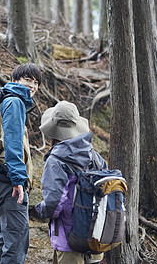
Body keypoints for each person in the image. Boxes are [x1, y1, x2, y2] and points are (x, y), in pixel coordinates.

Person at [35, 101, 106, 264]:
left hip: (69, 241)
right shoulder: (94, 156)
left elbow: (54, 203)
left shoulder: (55, 161)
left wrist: (40, 209)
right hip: (95, 236)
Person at [0, 63, 42, 264]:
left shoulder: (3, 100)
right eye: (28, 80)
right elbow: (12, 143)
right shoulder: (14, 102)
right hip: (10, 182)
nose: (33, 86)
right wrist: (18, 180)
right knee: (16, 241)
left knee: (4, 237)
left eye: (36, 82)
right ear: (14, 81)